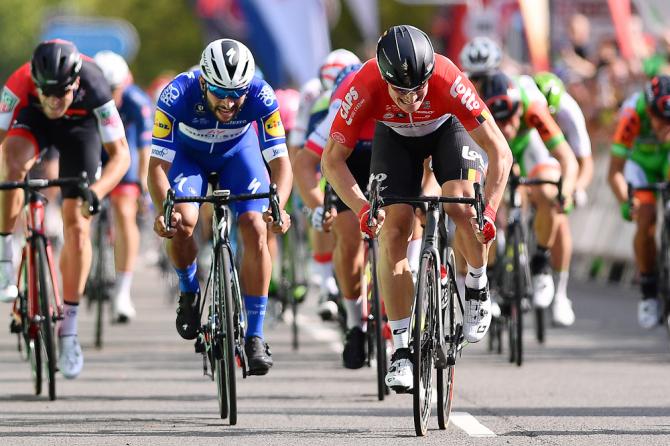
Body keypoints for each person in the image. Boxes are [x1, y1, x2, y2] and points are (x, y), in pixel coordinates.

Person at [322, 25, 513, 392]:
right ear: (384, 77)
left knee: (461, 204)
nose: (410, 100)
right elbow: (332, 161)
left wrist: (487, 213)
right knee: (394, 230)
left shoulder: (447, 78)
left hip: (447, 130)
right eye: (400, 91)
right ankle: (403, 351)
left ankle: (476, 284)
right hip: (394, 139)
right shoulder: (364, 85)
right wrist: (363, 208)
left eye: (418, 90)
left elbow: (500, 152)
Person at [148, 39, 292, 376]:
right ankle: (188, 290)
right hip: (189, 157)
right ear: (203, 83)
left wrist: (279, 207)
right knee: (182, 222)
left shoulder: (261, 94)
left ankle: (255, 335)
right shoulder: (176, 94)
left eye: (236, 94)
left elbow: (281, 163)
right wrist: (162, 210)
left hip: (238, 154)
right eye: (219, 93)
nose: (229, 103)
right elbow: (157, 166)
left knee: (257, 226)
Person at [0, 40, 130, 378]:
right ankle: (4, 254)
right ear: (36, 82)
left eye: (62, 93)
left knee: (77, 226)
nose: (54, 101)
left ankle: (69, 331)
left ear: (76, 83)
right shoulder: (19, 82)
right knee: (12, 170)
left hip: (79, 132)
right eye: (47, 92)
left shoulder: (96, 85)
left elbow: (121, 156)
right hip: (32, 122)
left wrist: (98, 192)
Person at [479, 71, 579, 326]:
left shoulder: (533, 108)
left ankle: (541, 262)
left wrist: (565, 191)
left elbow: (567, 158)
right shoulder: (479, 114)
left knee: (548, 190)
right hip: (492, 146)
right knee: (480, 207)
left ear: (519, 108)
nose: (508, 127)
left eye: (512, 118)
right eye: (499, 121)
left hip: (530, 146)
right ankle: (488, 277)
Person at [290, 49, 360, 320]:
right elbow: (298, 140)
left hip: (352, 147)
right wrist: (305, 191)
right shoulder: (313, 93)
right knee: (321, 207)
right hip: (320, 142)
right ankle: (324, 281)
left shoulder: (357, 86)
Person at [94, 50, 153, 323]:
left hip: (123, 152)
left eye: (114, 90)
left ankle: (122, 290)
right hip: (94, 151)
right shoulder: (87, 96)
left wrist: (143, 183)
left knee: (124, 208)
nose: (110, 96)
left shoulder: (136, 101)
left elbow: (144, 148)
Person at [608, 75, 670, 329]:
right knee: (645, 219)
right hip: (639, 165)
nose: (665, 125)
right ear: (648, 109)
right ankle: (648, 288)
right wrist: (626, 200)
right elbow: (614, 171)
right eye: (659, 118)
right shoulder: (632, 114)